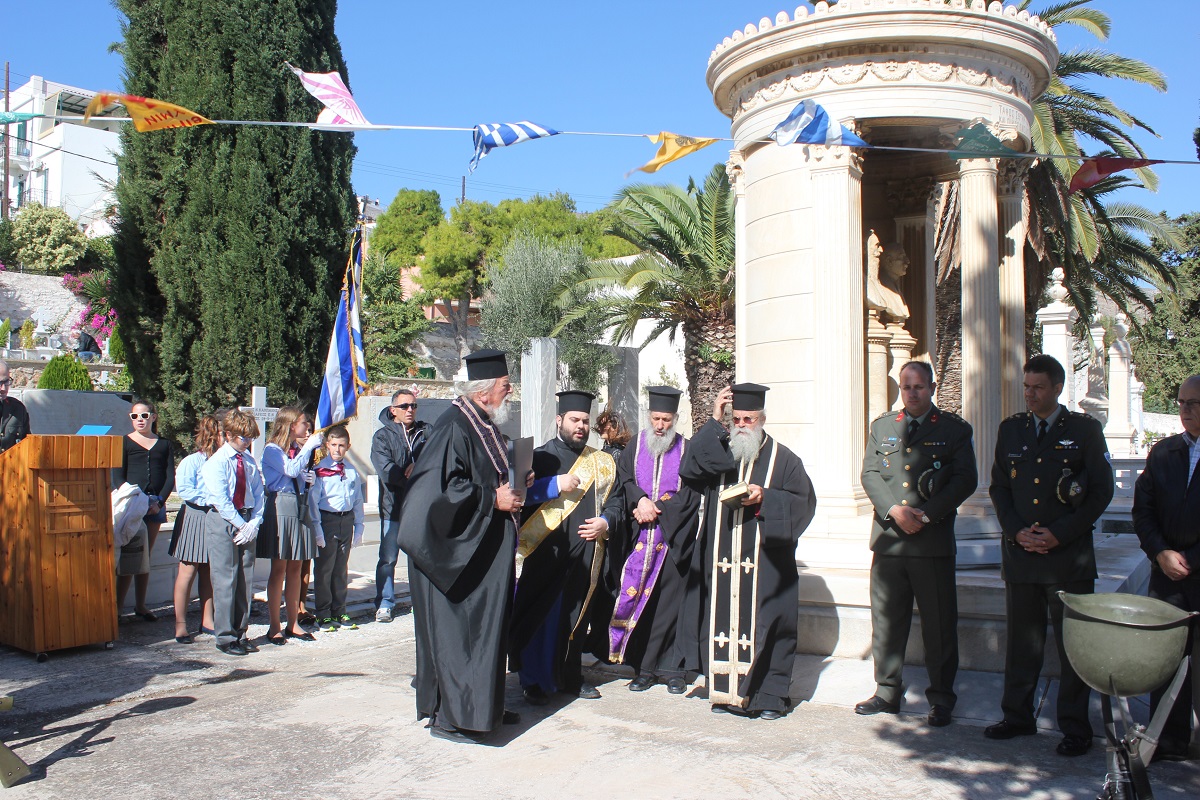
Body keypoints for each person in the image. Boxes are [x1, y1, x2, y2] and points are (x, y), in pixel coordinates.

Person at [986, 354, 1114, 757]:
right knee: (1022, 645)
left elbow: (1101, 490)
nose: (1030, 394)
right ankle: (1017, 716)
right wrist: (1015, 530)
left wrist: (1060, 534)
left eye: (1038, 387)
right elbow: (999, 487)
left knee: (1073, 646)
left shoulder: (1084, 430)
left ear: (1058, 388)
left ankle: (1075, 727)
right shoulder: (1011, 430)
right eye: (1027, 386)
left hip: (1068, 559)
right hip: (1022, 554)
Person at [398, 349, 523, 744]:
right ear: (483, 392)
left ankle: (483, 707)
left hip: (484, 552)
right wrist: (492, 499)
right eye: (505, 386)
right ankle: (451, 719)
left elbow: (485, 474)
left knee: (486, 635)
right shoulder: (453, 426)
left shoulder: (481, 423)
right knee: (461, 638)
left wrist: (517, 481)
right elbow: (437, 492)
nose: (509, 392)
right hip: (456, 559)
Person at [679, 384, 817, 719]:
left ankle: (769, 697)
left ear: (762, 419)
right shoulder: (719, 453)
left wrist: (765, 497)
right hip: (721, 558)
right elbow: (688, 469)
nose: (742, 425)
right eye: (736, 419)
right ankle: (725, 692)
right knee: (719, 620)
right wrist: (714, 421)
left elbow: (804, 503)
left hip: (765, 561)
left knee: (770, 625)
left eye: (749, 419)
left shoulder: (784, 459)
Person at [855, 361, 977, 726]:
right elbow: (870, 473)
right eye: (906, 387)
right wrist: (895, 510)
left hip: (931, 542)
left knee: (938, 625)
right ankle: (886, 691)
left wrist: (925, 515)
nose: (911, 393)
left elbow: (965, 479)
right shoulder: (883, 427)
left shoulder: (954, 430)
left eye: (918, 387)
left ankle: (941, 698)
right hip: (890, 541)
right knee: (886, 621)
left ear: (932, 388)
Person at [510, 390, 624, 704]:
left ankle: (571, 677)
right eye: (574, 420)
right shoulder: (540, 457)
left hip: (587, 555)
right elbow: (516, 497)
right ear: (559, 420)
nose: (581, 426)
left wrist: (606, 522)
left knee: (577, 617)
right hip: (547, 553)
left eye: (585, 421)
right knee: (542, 617)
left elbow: (617, 501)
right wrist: (553, 485)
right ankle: (534, 680)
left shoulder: (601, 462)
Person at [610, 386, 696, 694]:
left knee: (669, 604)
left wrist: (658, 508)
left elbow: (691, 494)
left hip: (672, 540)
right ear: (649, 416)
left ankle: (672, 671)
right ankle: (643, 669)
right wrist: (640, 500)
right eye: (656, 418)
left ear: (675, 419)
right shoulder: (635, 445)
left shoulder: (686, 449)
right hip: (639, 536)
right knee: (642, 603)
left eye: (666, 419)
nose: (660, 425)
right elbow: (624, 480)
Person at [1132, 374, 1200, 762]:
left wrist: (1191, 559)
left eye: (1193, 403)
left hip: (1196, 571)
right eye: (1181, 402)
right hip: (1166, 575)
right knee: (1166, 658)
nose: (1185, 410)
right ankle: (1166, 738)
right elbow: (1143, 510)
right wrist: (1160, 553)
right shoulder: (1163, 453)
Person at [201, 410, 265, 657]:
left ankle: (241, 631)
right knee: (226, 579)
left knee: (244, 579)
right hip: (225, 520)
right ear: (228, 435)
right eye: (242, 437)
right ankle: (225, 636)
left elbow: (258, 493)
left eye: (250, 437)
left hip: (247, 518)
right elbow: (221, 500)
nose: (247, 442)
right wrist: (241, 525)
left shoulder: (248, 460)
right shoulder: (217, 462)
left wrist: (254, 523)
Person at [260, 407, 323, 644]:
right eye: (303, 423)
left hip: (299, 504)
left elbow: (299, 475)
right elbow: (290, 469)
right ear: (290, 425)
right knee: (279, 568)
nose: (307, 429)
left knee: (296, 566)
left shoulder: (296, 450)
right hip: (281, 506)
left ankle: (293, 622)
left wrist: (310, 481)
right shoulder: (273, 450)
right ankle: (274, 626)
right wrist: (308, 448)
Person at [371, 388, 430, 623]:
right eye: (404, 406)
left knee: (419, 558)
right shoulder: (382, 437)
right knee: (388, 558)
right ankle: (385, 603)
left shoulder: (426, 432)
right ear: (393, 410)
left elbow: (439, 457)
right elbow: (386, 470)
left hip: (419, 508)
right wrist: (410, 476)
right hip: (393, 507)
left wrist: (420, 466)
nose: (410, 410)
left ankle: (420, 602)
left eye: (413, 406)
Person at [114, 399, 174, 621]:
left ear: (153, 417)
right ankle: (118, 607)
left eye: (144, 416)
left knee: (145, 557)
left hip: (155, 506)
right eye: (135, 416)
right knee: (130, 555)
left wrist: (158, 502)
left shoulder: (164, 444)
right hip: (132, 505)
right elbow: (118, 476)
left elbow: (169, 477)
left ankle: (141, 605)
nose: (140, 420)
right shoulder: (124, 442)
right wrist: (135, 501)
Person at [308, 425, 365, 633]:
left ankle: (339, 610)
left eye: (341, 445)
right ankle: (323, 613)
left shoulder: (351, 471)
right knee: (325, 569)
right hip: (327, 520)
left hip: (346, 520)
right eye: (333, 445)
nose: (337, 449)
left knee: (341, 569)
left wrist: (359, 526)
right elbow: (314, 502)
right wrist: (317, 529)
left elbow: (357, 499)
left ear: (348, 447)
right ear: (327, 445)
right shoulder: (320, 470)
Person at [169, 415, 221, 643]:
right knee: (188, 570)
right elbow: (185, 490)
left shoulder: (222, 461)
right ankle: (180, 624)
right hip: (195, 516)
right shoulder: (192, 461)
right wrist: (210, 499)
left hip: (214, 517)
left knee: (208, 571)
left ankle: (207, 619)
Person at [0, 361, 30, 454]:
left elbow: (27, 444)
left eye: (6, 382)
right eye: (0, 383)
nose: (3, 388)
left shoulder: (18, 409)